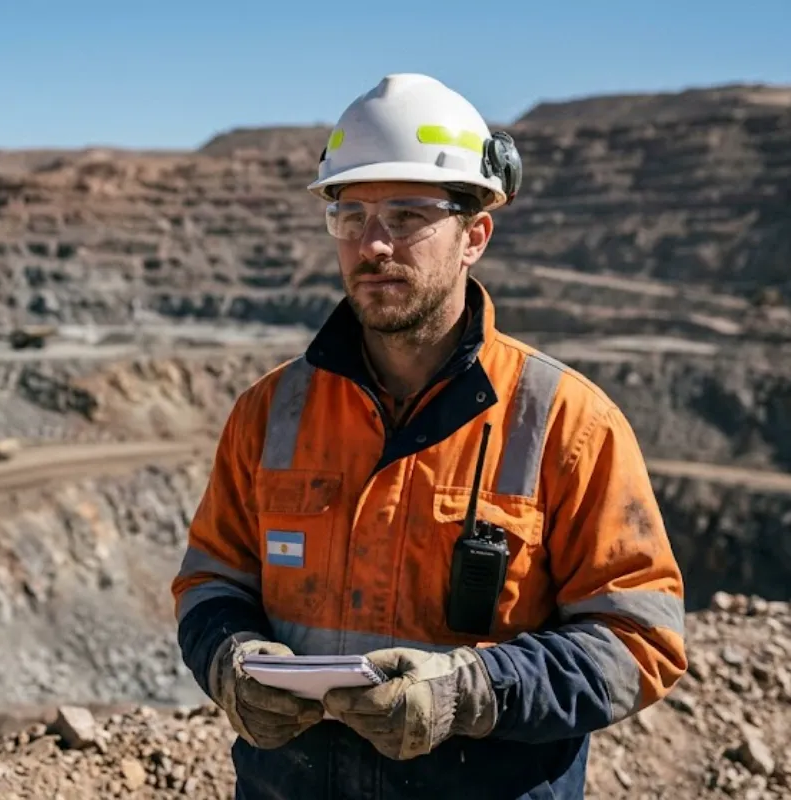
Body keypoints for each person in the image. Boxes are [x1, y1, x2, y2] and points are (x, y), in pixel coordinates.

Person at [171, 73, 687, 799]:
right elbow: (211, 580)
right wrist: (231, 661)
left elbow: (640, 639)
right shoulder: (269, 412)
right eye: (350, 216)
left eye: (409, 216)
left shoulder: (567, 421)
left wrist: (471, 692)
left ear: (475, 234)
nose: (373, 244)